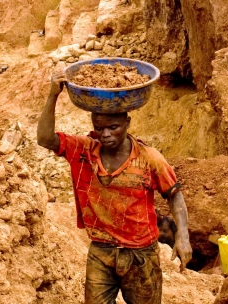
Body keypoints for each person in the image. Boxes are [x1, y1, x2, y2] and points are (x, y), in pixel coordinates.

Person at [37, 71, 193, 304]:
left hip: (141, 255)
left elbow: (174, 196)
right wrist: (52, 95)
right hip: (101, 251)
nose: (106, 134)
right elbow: (45, 139)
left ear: (127, 123)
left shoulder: (149, 159)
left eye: (113, 127)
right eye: (99, 128)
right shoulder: (83, 151)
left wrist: (183, 237)